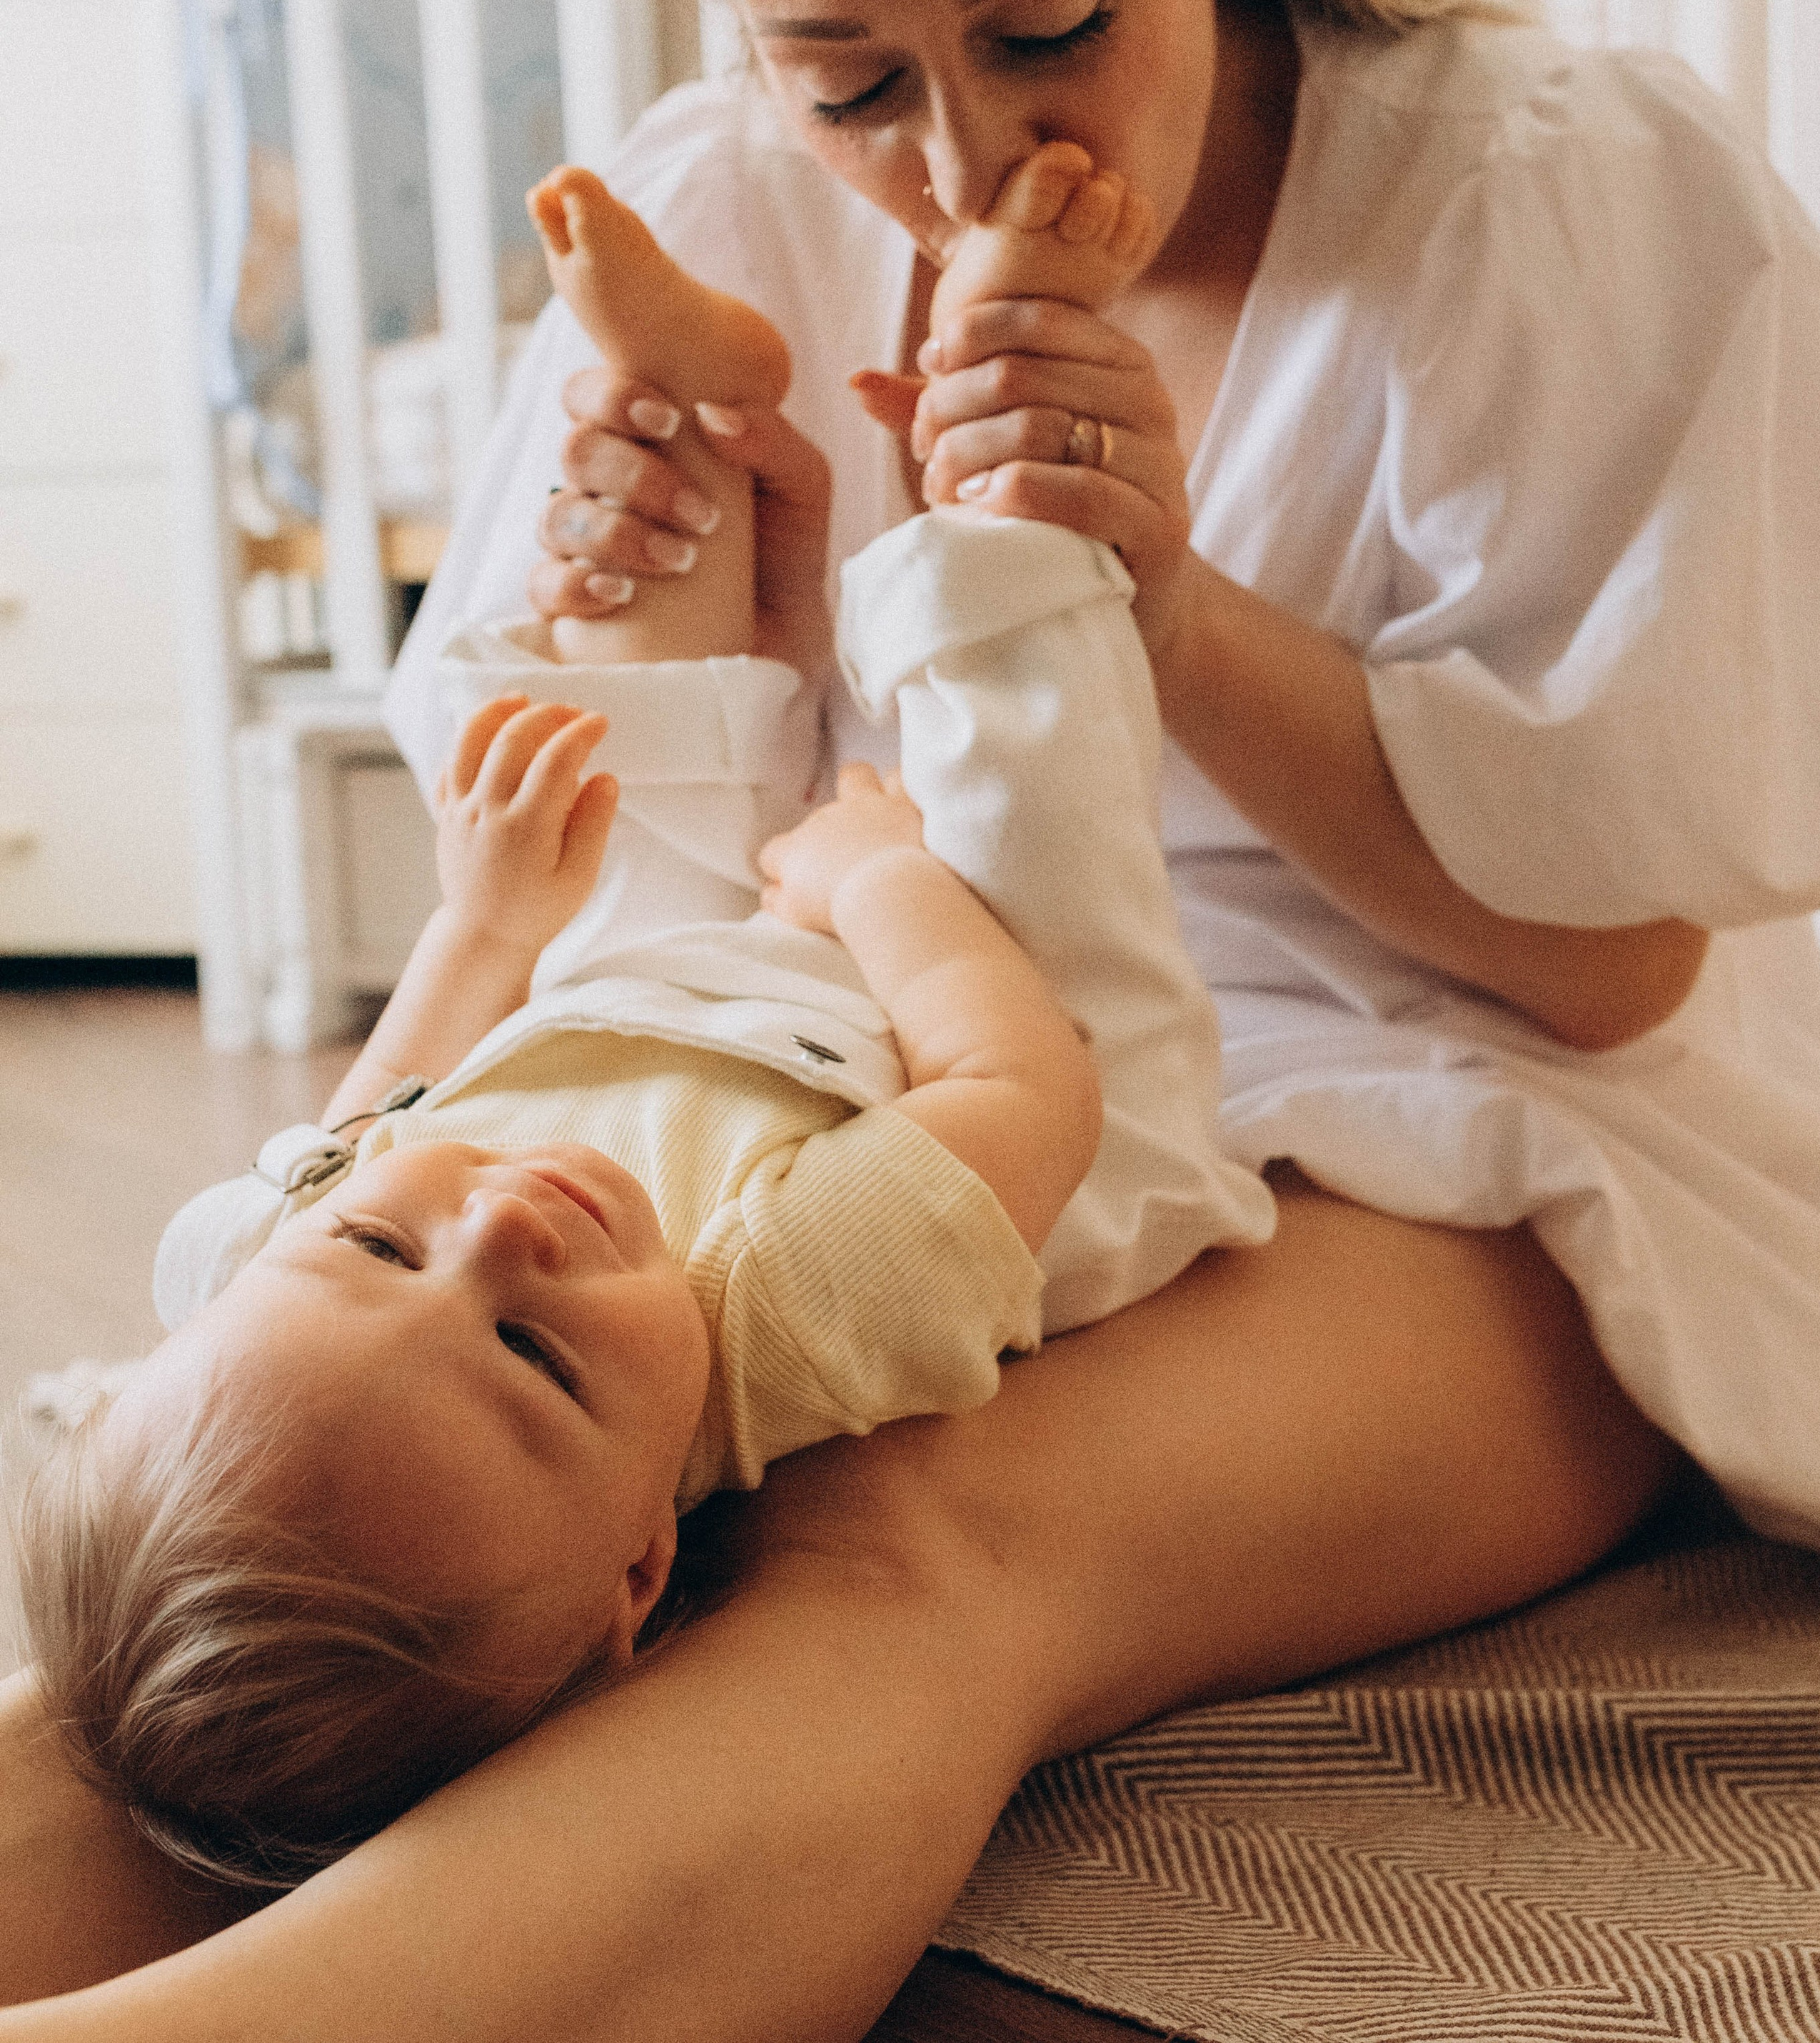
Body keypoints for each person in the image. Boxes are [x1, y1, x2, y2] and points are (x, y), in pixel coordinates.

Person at [2, 0, 1820, 2041]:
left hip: (1474, 1108)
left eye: (1049, 22)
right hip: (859, 1043)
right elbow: (699, 846)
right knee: (311, 1547)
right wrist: (666, 580)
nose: (962, 153)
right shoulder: (719, 206)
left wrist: (1159, 598)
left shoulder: (1553, 200)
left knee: (882, 1529)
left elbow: (1611, 969)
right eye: (844, 78)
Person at [19, 164, 1269, 1891]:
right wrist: (878, 879)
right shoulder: (791, 1306)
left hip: (675, 1006)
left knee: (611, 756)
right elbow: (1023, 1080)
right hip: (988, 1062)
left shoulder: (272, 1285)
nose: (500, 1229)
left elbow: (372, 1120)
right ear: (636, 1574)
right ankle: (1009, 422)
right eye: (533, 1357)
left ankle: (690, 407)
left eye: (379, 1246)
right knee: (1021, 756)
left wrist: (486, 923)